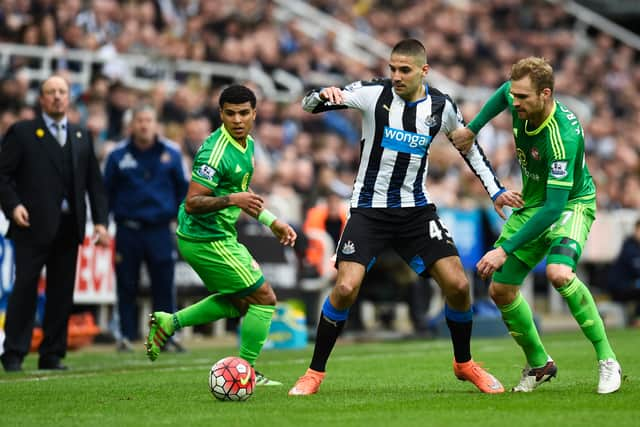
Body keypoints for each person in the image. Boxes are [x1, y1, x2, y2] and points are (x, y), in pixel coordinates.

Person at [288, 39, 524, 396]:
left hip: (416, 210)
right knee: (346, 287)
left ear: (423, 71)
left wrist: (495, 190)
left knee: (459, 286)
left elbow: (468, 146)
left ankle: (464, 364)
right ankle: (313, 373)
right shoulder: (372, 94)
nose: (396, 76)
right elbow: (309, 104)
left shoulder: (441, 105)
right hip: (369, 209)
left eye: (404, 70)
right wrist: (322, 96)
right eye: (392, 69)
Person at [451, 56, 622, 394]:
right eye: (514, 95)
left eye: (522, 97)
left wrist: (503, 249)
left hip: (570, 205)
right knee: (500, 290)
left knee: (559, 272)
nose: (514, 103)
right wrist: (472, 130)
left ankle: (608, 359)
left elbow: (554, 208)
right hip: (533, 203)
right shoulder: (520, 100)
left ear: (545, 94)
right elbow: (502, 93)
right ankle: (539, 362)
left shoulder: (562, 137)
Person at [144, 84, 297, 386]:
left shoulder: (248, 145)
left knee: (241, 302)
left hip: (218, 235)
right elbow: (193, 201)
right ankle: (245, 372)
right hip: (205, 237)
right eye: (230, 114)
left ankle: (169, 322)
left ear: (254, 114)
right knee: (264, 300)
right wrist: (233, 201)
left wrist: (271, 221)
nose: (237, 120)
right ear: (221, 114)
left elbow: (240, 193)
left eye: (243, 113)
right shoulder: (214, 152)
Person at [0, 75, 109, 372]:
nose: (58, 97)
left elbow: (93, 184)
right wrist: (13, 206)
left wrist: (100, 222)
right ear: (42, 99)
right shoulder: (22, 132)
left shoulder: (80, 135)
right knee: (24, 289)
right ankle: (13, 353)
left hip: (69, 225)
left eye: (62, 91)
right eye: (51, 92)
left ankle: (52, 353)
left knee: (62, 293)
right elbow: (3, 176)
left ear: (68, 97)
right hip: (30, 225)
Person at [103, 104, 188, 352]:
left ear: (156, 124)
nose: (144, 125)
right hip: (128, 228)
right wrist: (102, 224)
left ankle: (166, 336)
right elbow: (105, 192)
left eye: (148, 120)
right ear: (131, 125)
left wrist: (182, 220)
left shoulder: (172, 153)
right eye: (139, 120)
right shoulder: (117, 155)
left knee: (164, 284)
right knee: (126, 284)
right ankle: (126, 336)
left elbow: (183, 191)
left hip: (160, 229)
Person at [608, 219, 640, 327]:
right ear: (636, 230)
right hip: (620, 288)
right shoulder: (630, 247)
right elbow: (636, 269)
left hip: (632, 285)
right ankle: (636, 319)